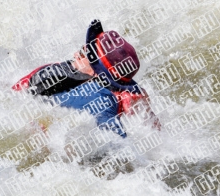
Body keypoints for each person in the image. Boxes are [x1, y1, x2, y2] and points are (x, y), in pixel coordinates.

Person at [13, 20, 160, 137]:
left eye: (84, 53)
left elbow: (121, 150)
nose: (76, 53)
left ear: (97, 73)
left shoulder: (105, 101)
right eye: (83, 48)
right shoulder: (55, 74)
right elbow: (12, 97)